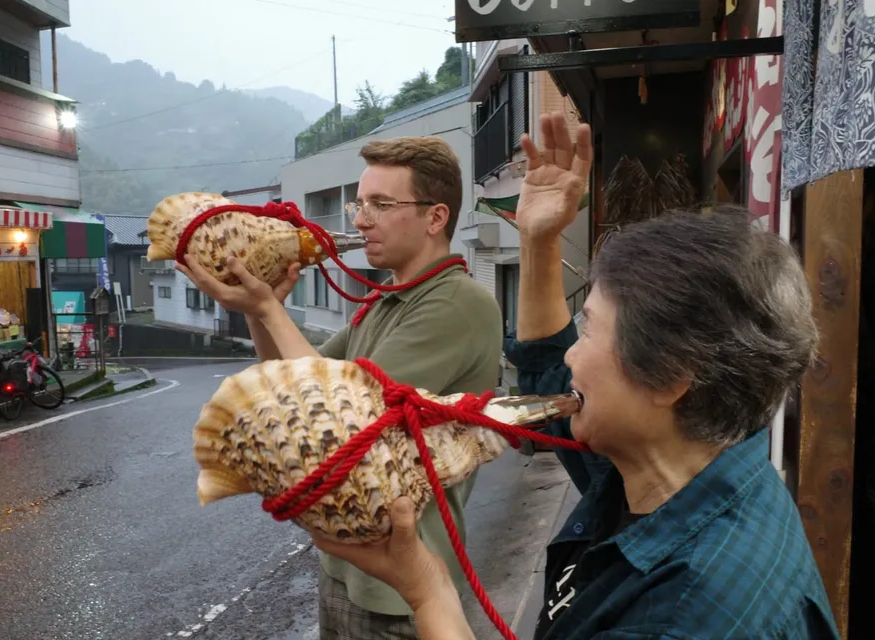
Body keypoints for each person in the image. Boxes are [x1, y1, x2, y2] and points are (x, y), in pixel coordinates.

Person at [311, 112, 843, 640]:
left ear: (670, 376)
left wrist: (426, 587)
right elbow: (546, 360)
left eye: (588, 331)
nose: (571, 356)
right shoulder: (672, 460)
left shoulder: (682, 613)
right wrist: (538, 240)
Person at [176, 135, 503, 639]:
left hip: (407, 591)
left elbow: (340, 415)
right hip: (349, 566)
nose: (360, 219)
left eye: (381, 204)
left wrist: (267, 308)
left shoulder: (458, 303)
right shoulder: (385, 300)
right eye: (360, 202)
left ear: (436, 218)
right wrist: (260, 312)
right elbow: (291, 389)